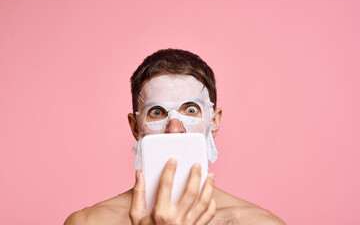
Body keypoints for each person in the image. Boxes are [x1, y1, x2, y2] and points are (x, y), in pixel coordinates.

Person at [64, 49, 285, 225]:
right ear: (135, 127)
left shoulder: (259, 223)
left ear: (214, 122)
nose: (174, 128)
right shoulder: (88, 222)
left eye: (190, 110)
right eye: (157, 112)